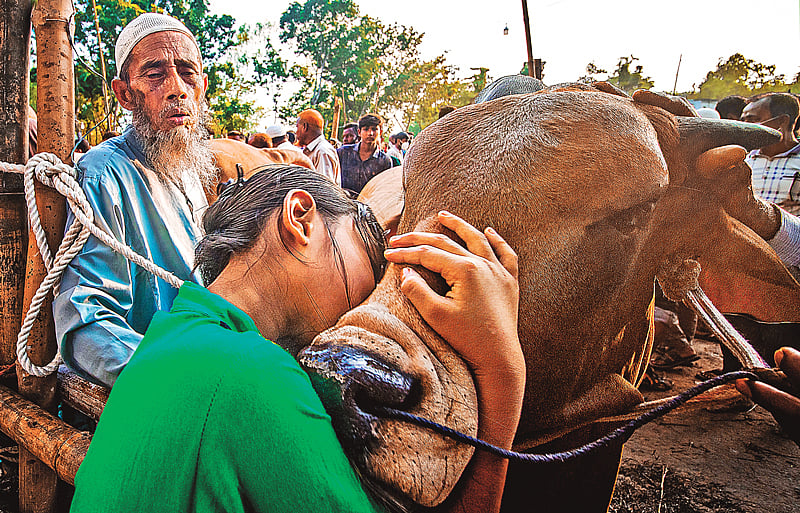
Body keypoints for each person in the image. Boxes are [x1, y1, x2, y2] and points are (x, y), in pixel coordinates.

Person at [70, 164, 524, 513]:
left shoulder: (166, 338)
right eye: (365, 281)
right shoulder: (249, 375)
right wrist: (503, 371)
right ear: (301, 218)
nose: (354, 318)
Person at [53, 12, 215, 388]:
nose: (177, 88)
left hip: (206, 350)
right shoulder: (104, 174)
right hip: (166, 382)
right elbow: (85, 322)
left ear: (202, 86)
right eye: (155, 74)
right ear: (125, 94)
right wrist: (182, 378)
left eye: (187, 72)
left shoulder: (191, 169)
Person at [741, 93, 800, 214]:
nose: (746, 126)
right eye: (743, 121)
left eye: (753, 120)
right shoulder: (743, 160)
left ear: (782, 121)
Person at [337, 113, 393, 194]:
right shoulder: (343, 153)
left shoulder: (385, 161)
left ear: (380, 132)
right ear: (359, 132)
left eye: (374, 129)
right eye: (366, 129)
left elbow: (385, 190)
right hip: (343, 202)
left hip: (371, 204)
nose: (370, 133)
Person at [295, 109, 341, 185]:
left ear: (304, 127)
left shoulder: (322, 151)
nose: (296, 132)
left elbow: (324, 188)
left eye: (297, 127)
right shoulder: (314, 150)